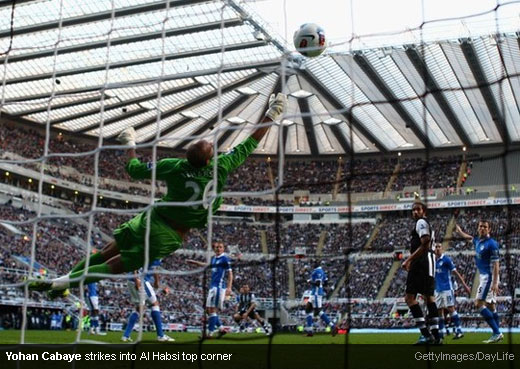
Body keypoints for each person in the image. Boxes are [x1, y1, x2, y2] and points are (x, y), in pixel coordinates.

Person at [27, 93, 287, 294]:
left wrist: (130, 144)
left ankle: (61, 285)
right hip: (169, 234)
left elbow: (135, 170)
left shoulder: (173, 166)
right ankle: (59, 284)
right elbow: (252, 139)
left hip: (151, 219)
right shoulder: (222, 166)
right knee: (118, 265)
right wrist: (273, 112)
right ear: (209, 161)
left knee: (105, 252)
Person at [455, 221, 502, 343]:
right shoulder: (477, 241)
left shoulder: (492, 244)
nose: (482, 228)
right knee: (491, 305)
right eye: (480, 226)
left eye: (485, 227)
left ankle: (497, 332)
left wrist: (495, 283)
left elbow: (497, 264)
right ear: (478, 228)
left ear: (489, 229)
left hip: (489, 277)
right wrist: (460, 232)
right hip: (484, 276)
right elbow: (469, 238)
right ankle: (497, 333)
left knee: (478, 304)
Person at [401, 201, 441, 345]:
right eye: (413, 210)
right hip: (429, 263)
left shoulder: (421, 223)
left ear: (424, 211)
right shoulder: (427, 223)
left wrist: (409, 260)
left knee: (409, 298)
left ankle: (425, 334)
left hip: (421, 263)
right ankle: (436, 336)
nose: (415, 212)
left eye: (418, 209)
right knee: (429, 298)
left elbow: (425, 242)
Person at [187, 241, 232, 338]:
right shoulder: (214, 259)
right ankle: (221, 328)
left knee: (212, 310)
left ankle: (210, 333)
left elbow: (230, 274)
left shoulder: (225, 259)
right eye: (216, 247)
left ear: (223, 249)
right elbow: (206, 265)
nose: (218, 249)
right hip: (213, 287)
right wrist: (195, 262)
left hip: (219, 287)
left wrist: (229, 287)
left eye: (220, 247)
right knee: (208, 310)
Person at [121, 259, 174, 342]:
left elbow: (151, 268)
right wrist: (138, 279)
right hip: (140, 280)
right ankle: (160, 335)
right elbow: (151, 268)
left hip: (131, 280)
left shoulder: (153, 252)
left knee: (139, 309)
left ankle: (126, 336)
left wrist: (156, 282)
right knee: (155, 304)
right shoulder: (157, 254)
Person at [433, 243, 471, 340]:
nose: (437, 249)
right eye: (436, 247)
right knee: (439, 311)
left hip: (447, 289)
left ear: (442, 249)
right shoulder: (433, 261)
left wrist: (465, 285)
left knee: (451, 309)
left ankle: (459, 330)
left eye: (439, 247)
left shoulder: (446, 259)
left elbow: (456, 273)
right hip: (437, 290)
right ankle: (441, 332)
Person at [303, 261, 337, 337]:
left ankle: (333, 326)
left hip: (316, 293)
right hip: (314, 293)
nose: (312, 264)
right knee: (308, 310)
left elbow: (318, 283)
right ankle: (310, 331)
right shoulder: (321, 271)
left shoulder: (317, 271)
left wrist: (309, 282)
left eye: (313, 263)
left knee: (318, 311)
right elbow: (326, 282)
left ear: (316, 264)